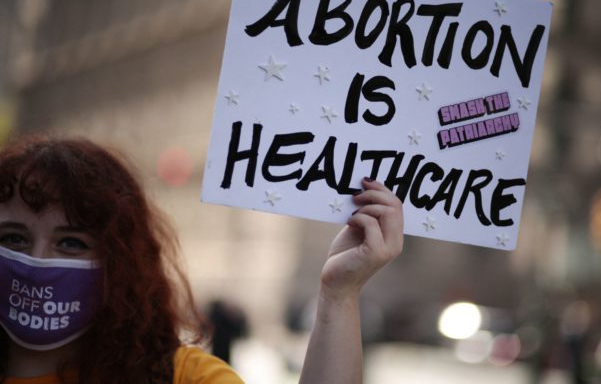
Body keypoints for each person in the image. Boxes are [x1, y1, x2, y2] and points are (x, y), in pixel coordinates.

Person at [0, 135, 404, 383]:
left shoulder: (179, 378)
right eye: (14, 238)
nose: (37, 262)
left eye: (71, 243)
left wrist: (338, 295)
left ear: (119, 261)